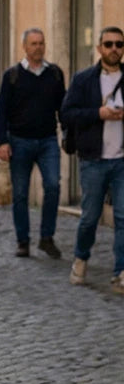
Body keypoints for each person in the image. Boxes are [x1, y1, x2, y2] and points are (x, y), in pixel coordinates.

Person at [61, 25, 124, 292]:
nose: (114, 49)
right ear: (99, 48)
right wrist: (98, 114)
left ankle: (120, 271)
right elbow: (67, 114)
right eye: (108, 44)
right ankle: (81, 258)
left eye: (119, 44)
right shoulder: (83, 79)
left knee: (123, 217)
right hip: (93, 160)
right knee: (90, 216)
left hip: (122, 160)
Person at [0, 28, 66, 259]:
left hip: (47, 141)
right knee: (21, 194)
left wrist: (67, 133)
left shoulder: (55, 74)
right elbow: (1, 111)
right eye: (33, 43)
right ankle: (22, 241)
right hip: (20, 141)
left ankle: (47, 237)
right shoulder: (12, 76)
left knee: (53, 186)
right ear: (24, 47)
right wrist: (2, 142)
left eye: (41, 43)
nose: (38, 47)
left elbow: (62, 108)